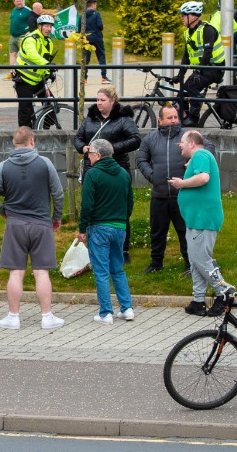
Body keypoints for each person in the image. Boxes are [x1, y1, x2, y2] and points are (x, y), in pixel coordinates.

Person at [0, 127, 66, 331]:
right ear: (32, 141)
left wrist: (3, 211)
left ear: (15, 143)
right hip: (41, 223)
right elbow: (59, 194)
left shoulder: (3, 166)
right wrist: (56, 217)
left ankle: (13, 317)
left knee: (16, 273)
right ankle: (47, 317)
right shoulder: (45, 163)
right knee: (41, 273)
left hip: (15, 224)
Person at [137, 105, 217, 277]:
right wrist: (152, 176)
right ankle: (156, 263)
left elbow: (208, 147)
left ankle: (190, 264)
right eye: (169, 117)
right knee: (157, 231)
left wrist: (195, 160)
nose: (173, 120)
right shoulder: (151, 138)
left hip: (182, 194)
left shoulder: (188, 136)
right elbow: (141, 158)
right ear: (160, 120)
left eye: (175, 117)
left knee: (184, 230)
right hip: (159, 193)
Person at [72, 85, 140, 263]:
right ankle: (95, 245)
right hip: (92, 168)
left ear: (112, 101)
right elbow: (78, 137)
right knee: (93, 204)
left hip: (116, 167)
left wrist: (111, 149)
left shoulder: (123, 119)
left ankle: (123, 250)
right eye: (97, 100)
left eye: (103, 100)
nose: (99, 103)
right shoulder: (90, 119)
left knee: (120, 208)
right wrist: (83, 147)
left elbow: (135, 139)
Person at [168, 130, 224, 317]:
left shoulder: (200, 154)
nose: (180, 146)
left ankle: (224, 292)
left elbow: (203, 178)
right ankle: (198, 300)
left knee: (201, 259)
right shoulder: (200, 156)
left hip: (203, 219)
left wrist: (181, 184)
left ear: (192, 143)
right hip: (196, 218)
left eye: (182, 143)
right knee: (195, 260)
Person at [78, 139, 134, 325]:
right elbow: (129, 202)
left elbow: (87, 204)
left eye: (90, 153)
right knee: (117, 268)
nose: (88, 156)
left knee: (101, 271)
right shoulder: (124, 174)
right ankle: (127, 308)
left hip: (99, 227)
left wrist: (82, 228)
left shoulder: (92, 174)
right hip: (119, 227)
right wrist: (123, 220)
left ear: (99, 155)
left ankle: (106, 313)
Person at [176, 1, 225, 126]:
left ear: (193, 16)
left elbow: (207, 53)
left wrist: (199, 71)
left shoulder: (208, 30)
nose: (181, 17)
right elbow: (186, 56)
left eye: (184, 15)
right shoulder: (187, 33)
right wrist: (179, 75)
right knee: (181, 93)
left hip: (214, 69)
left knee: (192, 87)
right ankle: (185, 117)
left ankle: (194, 118)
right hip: (203, 70)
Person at [13, 14, 59, 128]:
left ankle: (42, 129)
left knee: (51, 106)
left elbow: (45, 58)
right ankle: (25, 135)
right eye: (46, 26)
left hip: (38, 80)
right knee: (25, 110)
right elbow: (32, 54)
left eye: (50, 26)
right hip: (24, 79)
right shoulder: (30, 39)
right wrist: (47, 64)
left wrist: (49, 72)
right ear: (40, 26)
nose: (49, 29)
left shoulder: (48, 42)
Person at [82, 0, 109, 84]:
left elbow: (79, 28)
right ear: (93, 4)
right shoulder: (97, 14)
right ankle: (104, 77)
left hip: (86, 39)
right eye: (96, 5)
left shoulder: (82, 15)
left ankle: (84, 79)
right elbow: (100, 25)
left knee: (86, 59)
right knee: (101, 57)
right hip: (97, 38)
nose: (96, 7)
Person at [6, 0, 34, 77]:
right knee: (12, 53)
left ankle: (24, 73)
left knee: (23, 55)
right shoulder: (14, 10)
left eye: (20, 1)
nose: (19, 3)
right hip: (13, 36)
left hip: (22, 36)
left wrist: (30, 31)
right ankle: (11, 72)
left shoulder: (27, 11)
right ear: (14, 2)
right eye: (17, 1)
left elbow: (34, 21)